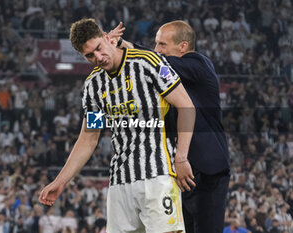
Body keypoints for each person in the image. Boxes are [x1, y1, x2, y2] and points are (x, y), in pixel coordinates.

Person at [39, 18, 196, 233]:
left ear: (108, 38)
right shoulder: (93, 86)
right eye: (90, 56)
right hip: (120, 182)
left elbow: (186, 106)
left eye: (99, 48)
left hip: (158, 175)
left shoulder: (148, 62)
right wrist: (60, 181)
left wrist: (182, 157)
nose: (98, 57)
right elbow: (88, 138)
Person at [110, 20, 230, 233]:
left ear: (183, 46)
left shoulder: (198, 64)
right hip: (176, 170)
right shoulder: (166, 76)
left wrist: (124, 45)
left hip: (205, 171)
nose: (157, 49)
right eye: (156, 44)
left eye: (162, 44)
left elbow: (154, 62)